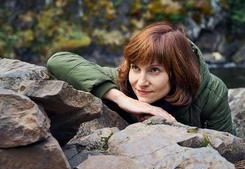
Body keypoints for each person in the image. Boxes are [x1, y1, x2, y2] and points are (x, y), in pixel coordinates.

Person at [47, 22, 236, 135]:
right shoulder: (123, 79)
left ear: (178, 72)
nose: (140, 82)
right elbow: (58, 60)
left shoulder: (211, 92)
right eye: (136, 68)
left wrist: (179, 130)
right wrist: (123, 99)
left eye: (154, 70)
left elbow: (231, 149)